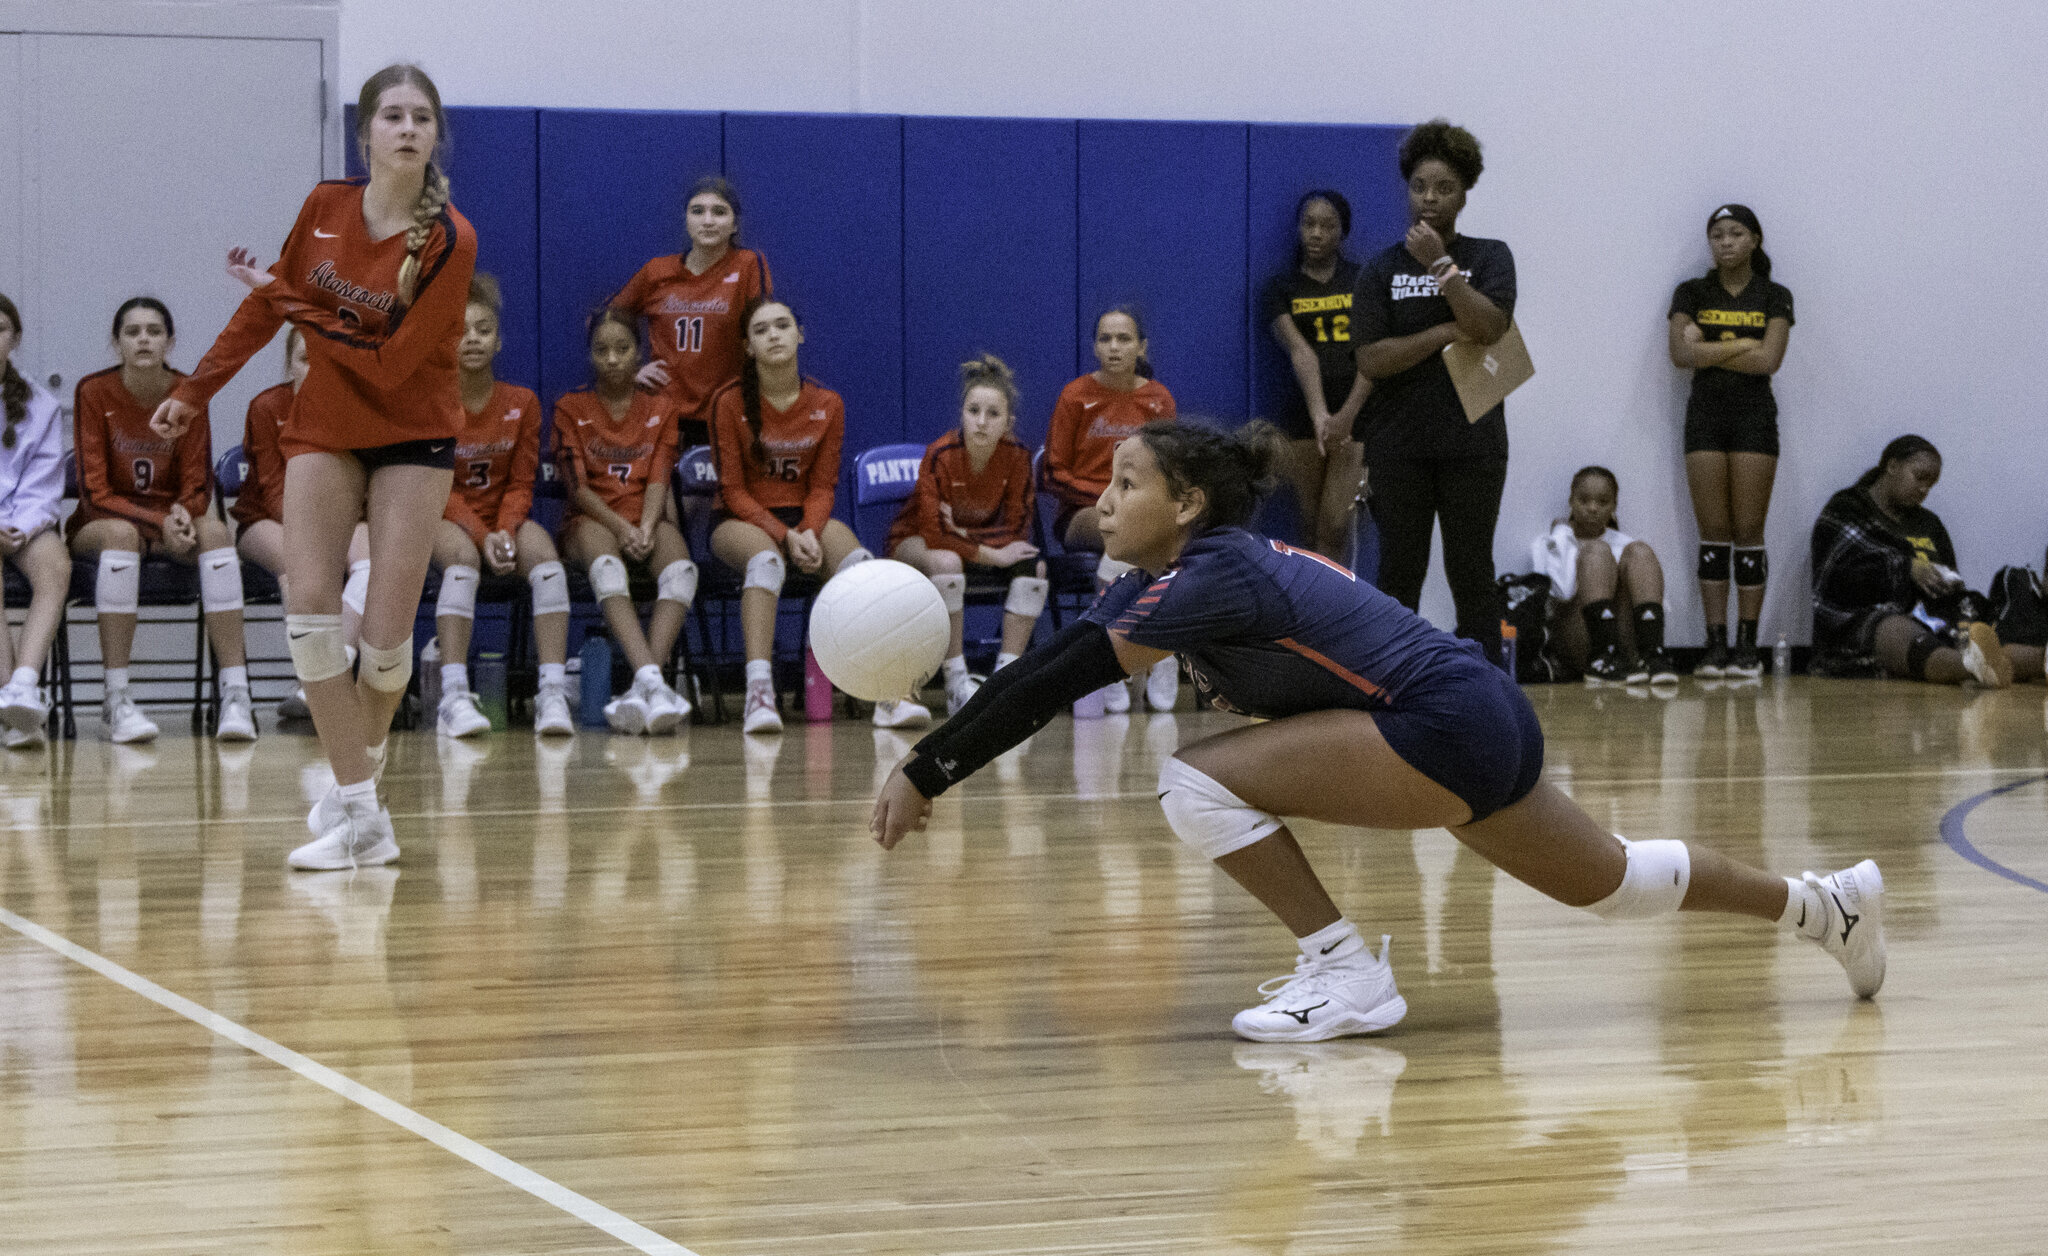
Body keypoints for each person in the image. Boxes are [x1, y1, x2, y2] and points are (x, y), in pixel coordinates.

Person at [872, 420, 1888, 1044]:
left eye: (1126, 483)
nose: (1102, 500)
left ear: (1185, 503)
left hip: (1439, 722)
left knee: (1193, 782)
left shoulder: (1207, 573)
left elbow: (1048, 677)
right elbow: (1067, 661)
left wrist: (927, 765)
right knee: (1613, 884)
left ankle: (1345, 971)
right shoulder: (1195, 572)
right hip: (1476, 710)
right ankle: (1820, 906)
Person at [153, 63, 478, 870]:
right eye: (392, 115)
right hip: (325, 427)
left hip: (412, 435)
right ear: (364, 131)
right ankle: (365, 811)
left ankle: (352, 787)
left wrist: (293, 300)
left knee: (387, 638)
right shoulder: (326, 206)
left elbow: (391, 364)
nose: (407, 129)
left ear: (437, 136)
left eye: (421, 118)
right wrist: (195, 391)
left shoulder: (448, 238)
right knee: (308, 611)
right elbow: (266, 307)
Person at [1353, 118, 1516, 666]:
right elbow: (1372, 358)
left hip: (1474, 440)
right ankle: (1388, 684)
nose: (1429, 198)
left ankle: (1490, 694)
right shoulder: (1379, 269)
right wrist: (1445, 332)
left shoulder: (1490, 256)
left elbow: (1490, 327)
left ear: (1464, 194)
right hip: (1398, 443)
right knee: (1399, 570)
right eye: (1420, 186)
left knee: (1471, 568)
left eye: (1443, 188)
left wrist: (1442, 269)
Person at [73, 298, 255, 745]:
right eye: (132, 331)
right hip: (105, 523)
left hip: (170, 523)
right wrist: (161, 523)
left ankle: (236, 695)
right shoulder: (92, 392)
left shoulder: (188, 392)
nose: (143, 339)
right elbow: (95, 493)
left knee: (215, 531)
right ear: (116, 343)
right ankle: (116, 700)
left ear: (170, 341)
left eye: (154, 331)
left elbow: (197, 483)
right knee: (121, 535)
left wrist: (180, 515)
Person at [708, 297, 870, 735]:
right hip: (740, 521)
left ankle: (886, 690)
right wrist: (785, 535)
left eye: (782, 325)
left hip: (805, 516)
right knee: (765, 562)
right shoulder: (727, 403)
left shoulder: (828, 402)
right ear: (747, 346)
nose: (774, 335)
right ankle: (759, 693)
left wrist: (809, 531)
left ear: (801, 334)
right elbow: (733, 491)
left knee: (861, 567)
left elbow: (822, 486)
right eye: (761, 330)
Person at [433, 273, 575, 738]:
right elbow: (437, 489)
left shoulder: (522, 402)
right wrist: (482, 534)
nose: (472, 339)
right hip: (447, 517)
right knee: (461, 560)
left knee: (547, 561)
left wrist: (507, 528)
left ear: (498, 341)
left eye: (483, 329)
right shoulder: (432, 404)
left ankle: (551, 692)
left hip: (503, 518)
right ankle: (453, 695)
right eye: (461, 329)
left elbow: (521, 480)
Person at [882, 353, 1048, 726]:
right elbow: (931, 533)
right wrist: (987, 552)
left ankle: (1007, 682)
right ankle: (956, 681)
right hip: (912, 542)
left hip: (970, 541)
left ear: (1008, 422)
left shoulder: (1018, 456)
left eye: (993, 414)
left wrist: (967, 538)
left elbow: (1017, 532)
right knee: (945, 561)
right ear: (962, 414)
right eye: (974, 411)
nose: (982, 422)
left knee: (1033, 566)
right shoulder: (940, 454)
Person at [554, 308, 697, 735]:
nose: (613, 358)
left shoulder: (661, 407)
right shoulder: (570, 407)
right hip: (592, 519)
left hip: (645, 516)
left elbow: (658, 476)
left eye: (623, 348)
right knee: (608, 567)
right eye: (602, 350)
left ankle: (642, 685)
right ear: (590, 355)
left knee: (682, 571)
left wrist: (648, 527)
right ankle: (654, 679)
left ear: (640, 352)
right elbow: (578, 489)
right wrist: (623, 529)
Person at [1669, 204, 1794, 679]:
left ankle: (1747, 644)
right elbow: (1681, 354)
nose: (1725, 242)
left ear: (1755, 240)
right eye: (1717, 235)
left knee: (1748, 530)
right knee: (1713, 532)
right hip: (1705, 418)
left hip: (1754, 420)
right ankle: (1714, 642)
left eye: (1735, 233)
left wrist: (1711, 347)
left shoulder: (1774, 294)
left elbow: (1769, 362)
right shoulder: (1692, 291)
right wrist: (1745, 342)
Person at [1810, 435, 2040, 686]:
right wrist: (1906, 568)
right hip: (1868, 617)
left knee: (1978, 618)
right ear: (1892, 466)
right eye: (1919, 477)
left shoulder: (1929, 523)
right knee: (1892, 625)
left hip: (1933, 614)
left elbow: (1952, 579)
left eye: (1931, 484)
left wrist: (1945, 584)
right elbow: (1836, 578)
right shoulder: (1848, 507)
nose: (1924, 489)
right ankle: (1970, 666)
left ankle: (2040, 660)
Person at [1044, 306, 1180, 712]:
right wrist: (1111, 493)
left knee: (1175, 544)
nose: (1115, 347)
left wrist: (1134, 498)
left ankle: (1165, 656)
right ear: (1095, 346)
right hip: (1082, 515)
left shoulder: (1158, 399)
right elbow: (1053, 472)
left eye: (1124, 339)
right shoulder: (1075, 396)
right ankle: (1114, 664)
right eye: (1106, 339)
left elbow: (1170, 468)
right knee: (1117, 528)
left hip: (1139, 512)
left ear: (1141, 346)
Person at [232, 326, 372, 721]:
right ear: (289, 365)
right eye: (305, 359)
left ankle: (332, 672)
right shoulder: (267, 407)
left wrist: (335, 528)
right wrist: (319, 533)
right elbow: (274, 489)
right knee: (300, 565)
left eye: (325, 360)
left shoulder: (359, 409)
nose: (315, 369)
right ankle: (315, 679)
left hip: (343, 515)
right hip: (268, 518)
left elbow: (365, 482)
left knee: (370, 562)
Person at [610, 176, 771, 448]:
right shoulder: (657, 271)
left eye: (719, 212)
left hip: (725, 413)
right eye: (698, 211)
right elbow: (606, 322)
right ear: (686, 220)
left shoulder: (747, 265)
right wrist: (630, 371)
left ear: (734, 224)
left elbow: (765, 329)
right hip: (664, 414)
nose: (707, 221)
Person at [1261, 189, 1371, 559]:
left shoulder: (1363, 280)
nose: (1316, 233)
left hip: (1357, 414)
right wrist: (1320, 415)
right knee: (1310, 528)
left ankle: (1345, 609)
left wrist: (1345, 416)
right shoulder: (1281, 287)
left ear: (1343, 232)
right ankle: (1317, 613)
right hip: (1304, 416)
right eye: (1309, 224)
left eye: (1327, 225)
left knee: (1336, 524)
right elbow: (1300, 350)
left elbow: (1372, 355)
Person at [1530, 466, 1678, 685]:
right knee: (1596, 552)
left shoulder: (1625, 544)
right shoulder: (1549, 542)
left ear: (1614, 506)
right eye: (1584, 500)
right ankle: (1601, 660)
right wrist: (1563, 536)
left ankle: (1652, 656)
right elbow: (1561, 592)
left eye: (1602, 502)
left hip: (1625, 641)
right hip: (1577, 640)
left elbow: (1656, 603)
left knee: (1641, 551)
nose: (1592, 508)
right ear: (1571, 501)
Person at [0, 293, 69, 748]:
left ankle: (24, 684)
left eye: (0, 329)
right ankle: (8, 710)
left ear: (16, 337)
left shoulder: (40, 404)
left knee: (56, 565)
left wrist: (22, 529)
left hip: (20, 523)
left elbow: (45, 483)